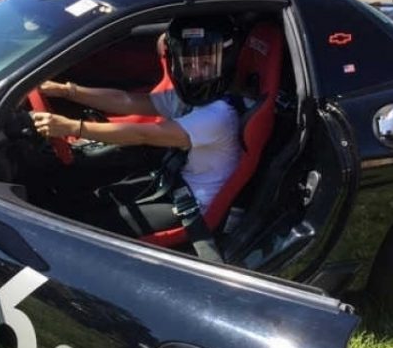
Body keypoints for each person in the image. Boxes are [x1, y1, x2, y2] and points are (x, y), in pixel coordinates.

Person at [30, 16, 242, 238]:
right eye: (187, 64)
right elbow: (127, 101)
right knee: (85, 200)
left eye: (206, 64)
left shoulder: (218, 117)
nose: (196, 73)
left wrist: (71, 127)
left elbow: (142, 134)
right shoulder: (188, 99)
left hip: (195, 206)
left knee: (87, 227)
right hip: (173, 181)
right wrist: (67, 91)